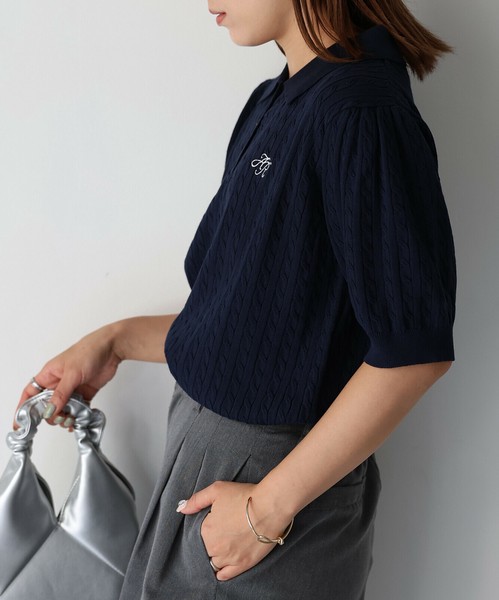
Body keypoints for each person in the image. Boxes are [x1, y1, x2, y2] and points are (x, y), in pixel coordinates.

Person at [15, 1, 457, 598]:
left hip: (271, 494)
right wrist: (114, 342)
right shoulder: (280, 100)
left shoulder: (360, 112)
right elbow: (252, 327)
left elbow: (413, 352)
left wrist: (265, 510)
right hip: (222, 472)